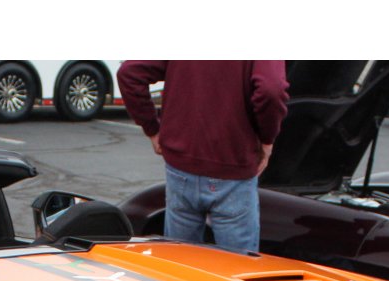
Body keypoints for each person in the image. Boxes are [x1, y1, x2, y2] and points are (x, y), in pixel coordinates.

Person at [117, 61, 288, 254]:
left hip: (181, 168)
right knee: (235, 271)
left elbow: (129, 73)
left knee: (180, 266)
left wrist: (153, 129)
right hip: (233, 168)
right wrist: (267, 139)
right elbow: (271, 90)